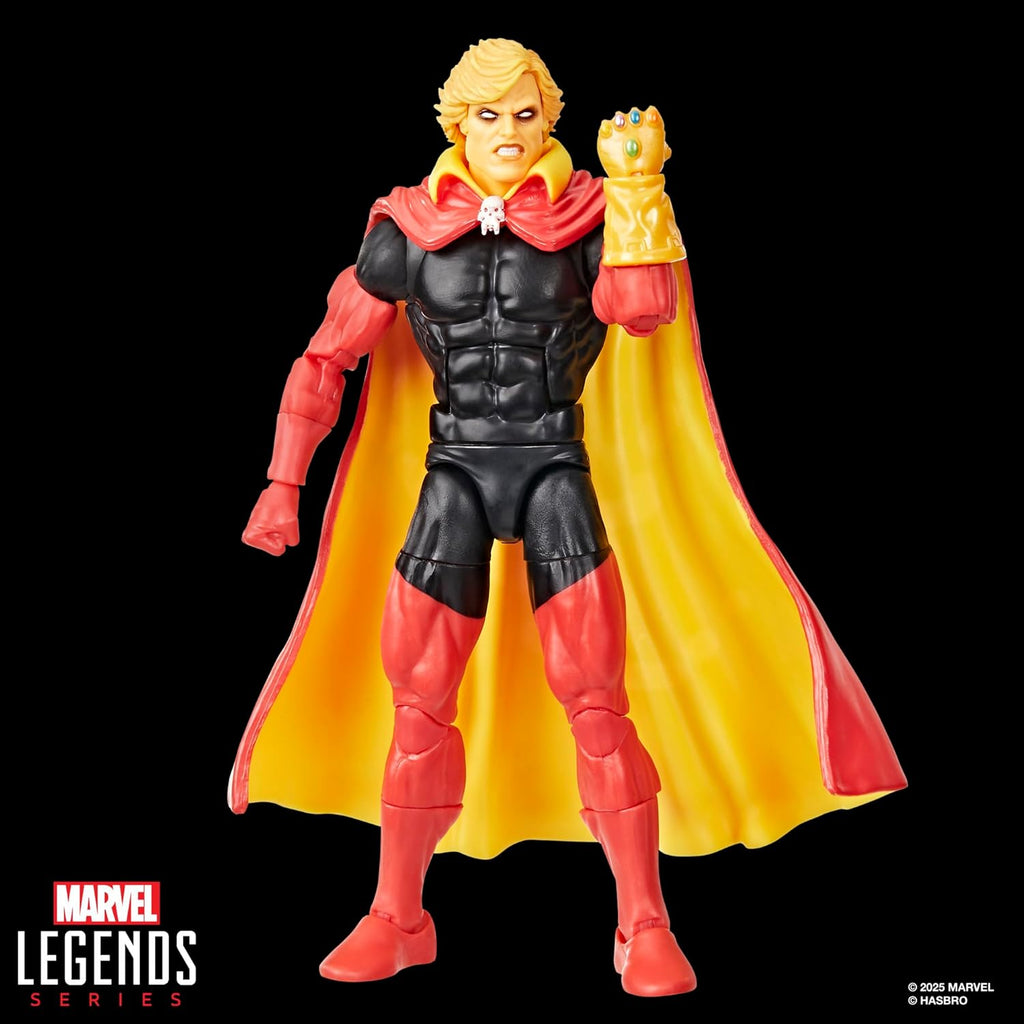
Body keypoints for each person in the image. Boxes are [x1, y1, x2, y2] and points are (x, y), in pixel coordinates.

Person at [232, 37, 905, 999]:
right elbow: (324, 357)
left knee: (595, 699)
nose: (508, 132)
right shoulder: (407, 229)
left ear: (550, 120)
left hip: (553, 466)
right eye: (489, 114)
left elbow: (641, 310)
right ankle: (399, 915)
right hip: (455, 471)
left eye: (526, 113)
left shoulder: (588, 218)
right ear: (456, 123)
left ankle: (643, 922)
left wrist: (638, 188)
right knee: (418, 704)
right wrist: (282, 483)